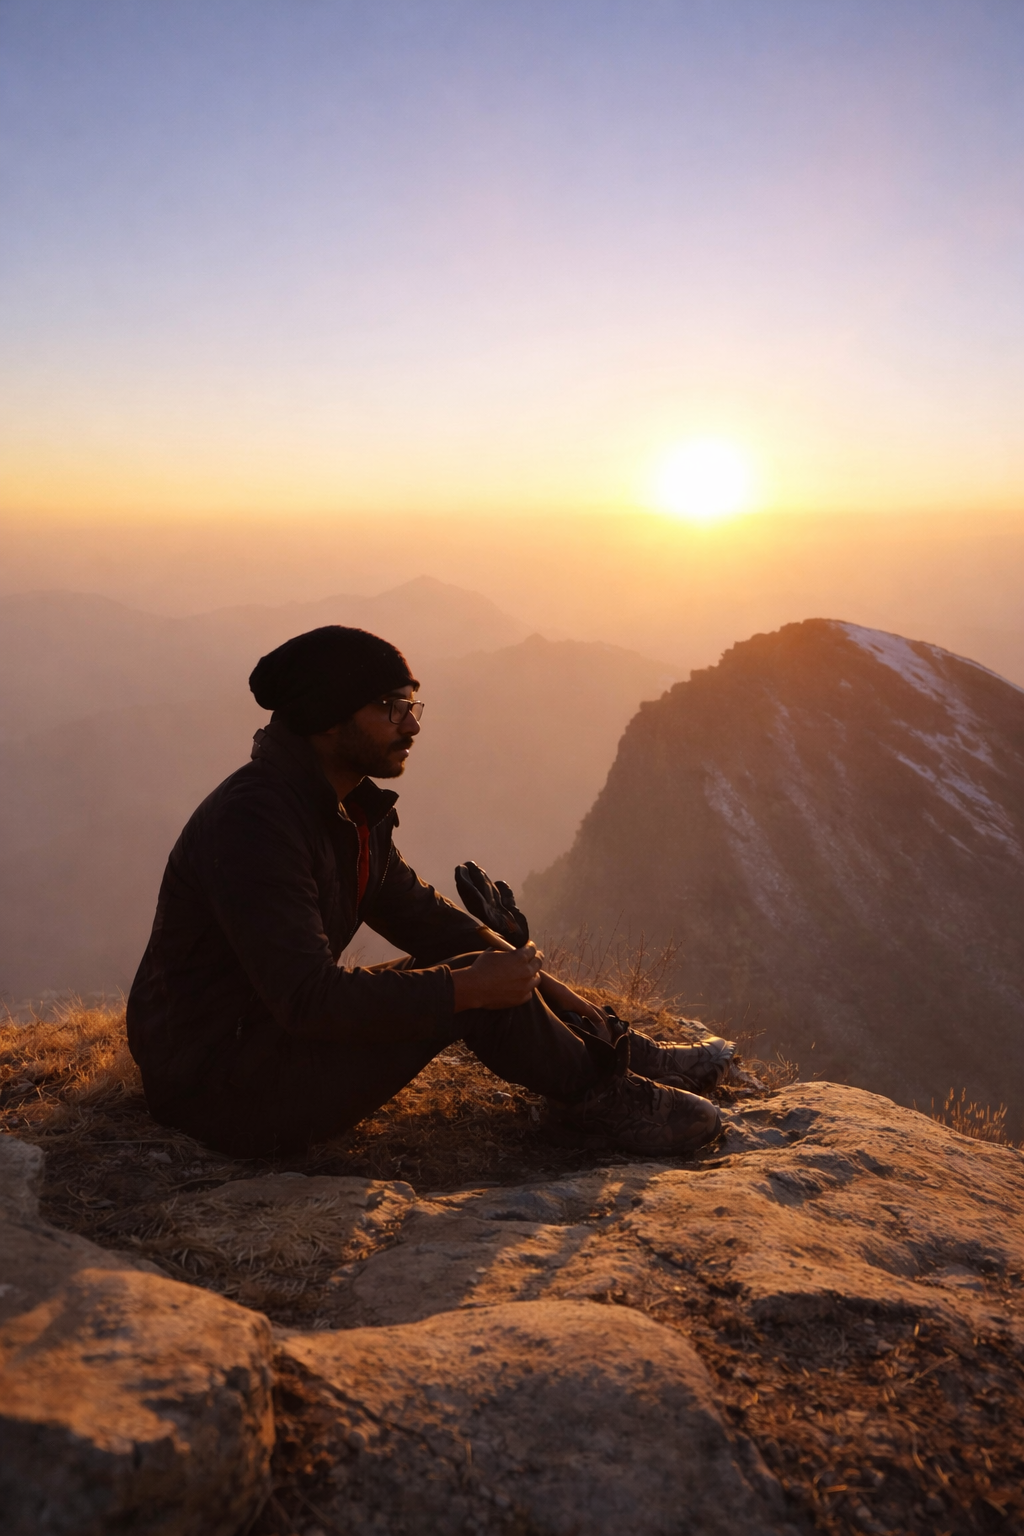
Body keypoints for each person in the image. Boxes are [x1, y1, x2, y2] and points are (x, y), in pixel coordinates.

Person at [127, 625, 726, 1159]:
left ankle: (618, 1053)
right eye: (390, 708)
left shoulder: (346, 810)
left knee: (475, 968)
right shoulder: (256, 822)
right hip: (221, 1090)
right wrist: (467, 987)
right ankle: (600, 1103)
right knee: (470, 983)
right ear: (327, 718)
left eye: (411, 704)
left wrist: (550, 986)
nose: (411, 724)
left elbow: (426, 918)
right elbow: (307, 998)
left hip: (261, 1048)